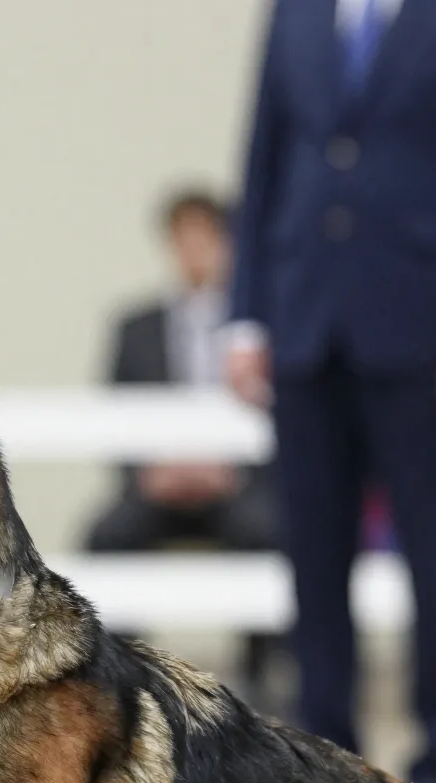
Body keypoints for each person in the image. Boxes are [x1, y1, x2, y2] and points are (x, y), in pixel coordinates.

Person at [228, 0, 436, 783]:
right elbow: (264, 158)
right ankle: (327, 765)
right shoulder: (296, 12)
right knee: (314, 559)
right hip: (306, 324)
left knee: (435, 558)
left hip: (427, 327)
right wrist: (248, 314)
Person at [86, 189, 280, 704]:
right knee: (106, 535)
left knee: (267, 530)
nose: (194, 250)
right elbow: (114, 418)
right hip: (159, 484)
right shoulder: (135, 328)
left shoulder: (257, 328)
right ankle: (124, 677)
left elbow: (280, 421)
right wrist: (149, 473)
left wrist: (232, 473)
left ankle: (261, 673)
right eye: (183, 238)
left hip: (234, 486)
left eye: (205, 238)